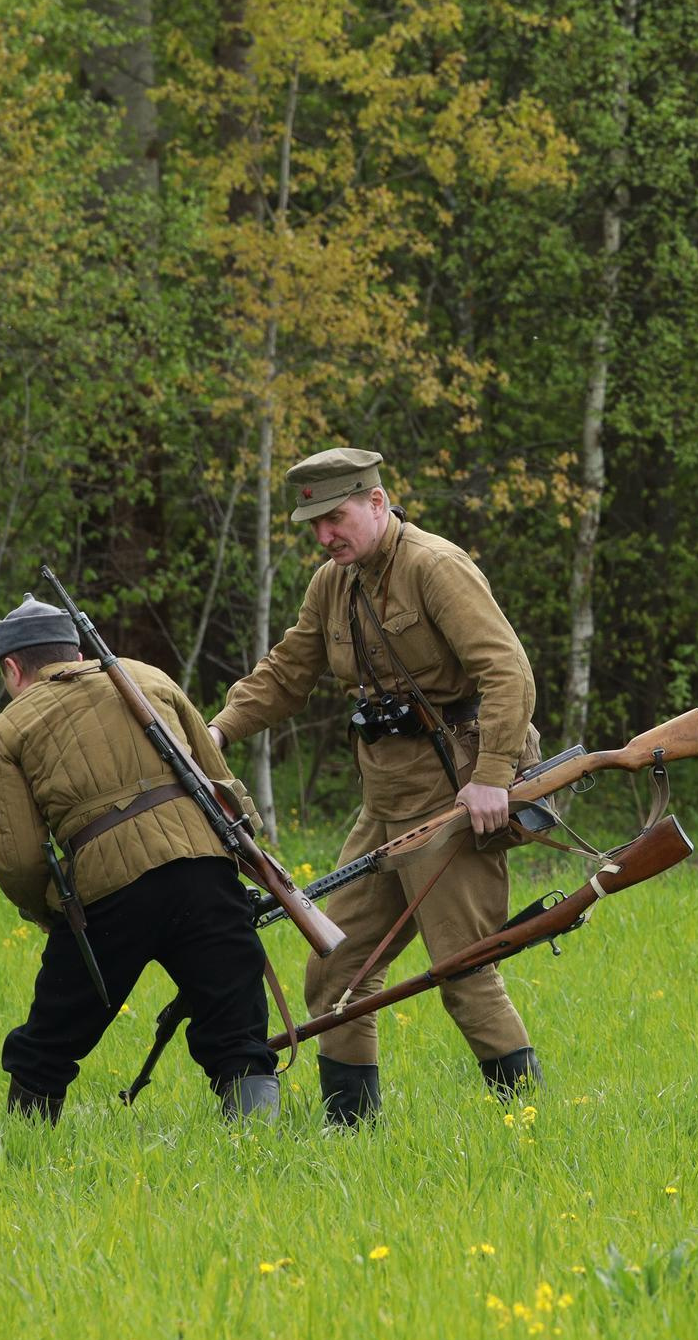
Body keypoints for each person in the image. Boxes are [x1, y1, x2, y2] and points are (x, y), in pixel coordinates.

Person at [208, 447, 541, 1128]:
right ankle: (351, 1128)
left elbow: (509, 672)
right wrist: (214, 732)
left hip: (452, 794)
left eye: (338, 515)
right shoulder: (334, 584)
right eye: (316, 524)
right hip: (384, 802)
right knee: (334, 971)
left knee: (464, 969)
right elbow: (284, 673)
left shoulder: (434, 566)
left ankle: (530, 1124)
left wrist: (491, 780)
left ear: (379, 502)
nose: (328, 534)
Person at [0, 595, 280, 1122]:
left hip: (107, 893)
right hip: (205, 871)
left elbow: (18, 860)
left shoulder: (7, 730)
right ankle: (260, 1151)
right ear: (74, 650)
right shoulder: (148, 678)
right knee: (239, 1031)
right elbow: (221, 787)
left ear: (12, 667)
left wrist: (50, 912)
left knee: (50, 1039)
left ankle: (23, 1153)